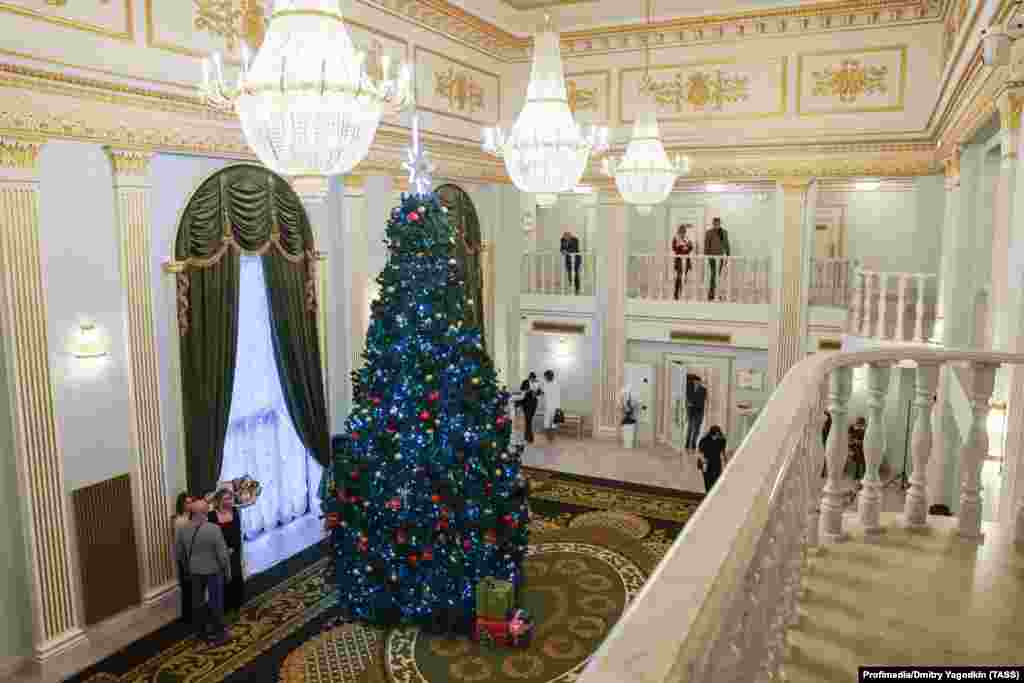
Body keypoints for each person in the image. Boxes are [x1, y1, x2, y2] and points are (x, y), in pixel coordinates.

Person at [176, 495, 231, 644]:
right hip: (213, 571)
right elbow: (223, 556)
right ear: (201, 513)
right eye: (206, 512)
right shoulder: (213, 529)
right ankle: (219, 632)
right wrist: (227, 572)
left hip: (194, 571)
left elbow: (180, 554)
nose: (208, 513)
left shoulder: (183, 530)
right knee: (216, 602)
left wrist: (188, 569)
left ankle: (200, 632)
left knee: (197, 603)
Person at [209, 486, 244, 614]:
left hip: (234, 550)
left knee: (235, 576)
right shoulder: (212, 515)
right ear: (219, 500)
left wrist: (233, 549)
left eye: (230, 498)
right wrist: (222, 550)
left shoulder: (235, 511)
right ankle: (225, 606)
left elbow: (237, 532)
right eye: (226, 498)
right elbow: (212, 536)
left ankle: (237, 604)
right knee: (223, 579)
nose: (229, 501)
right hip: (219, 553)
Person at [173, 492, 195, 624]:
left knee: (194, 589)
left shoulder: (193, 518)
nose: (189, 504)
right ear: (181, 505)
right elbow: (178, 544)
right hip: (185, 559)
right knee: (187, 590)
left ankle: (194, 613)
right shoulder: (180, 521)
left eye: (191, 502)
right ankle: (187, 617)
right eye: (187, 502)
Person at [704, 217, 731, 301]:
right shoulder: (709, 233)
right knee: (714, 275)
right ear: (713, 224)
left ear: (720, 223)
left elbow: (727, 245)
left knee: (717, 275)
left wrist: (728, 256)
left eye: (718, 223)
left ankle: (715, 293)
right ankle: (712, 294)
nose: (716, 225)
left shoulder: (724, 232)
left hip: (721, 257)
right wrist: (707, 257)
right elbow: (706, 246)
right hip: (712, 257)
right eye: (715, 223)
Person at [698, 425, 727, 492]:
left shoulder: (722, 440)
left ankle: (712, 493)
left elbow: (723, 451)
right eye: (715, 434)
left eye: (718, 434)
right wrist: (702, 462)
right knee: (707, 479)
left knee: (716, 479)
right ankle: (708, 493)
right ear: (711, 433)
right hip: (706, 462)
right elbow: (700, 452)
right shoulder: (704, 440)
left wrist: (726, 461)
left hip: (716, 461)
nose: (716, 436)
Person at [671, 224, 694, 300]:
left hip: (686, 260)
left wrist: (686, 248)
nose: (683, 232)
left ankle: (684, 294)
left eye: (684, 231)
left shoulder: (687, 238)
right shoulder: (675, 238)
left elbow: (691, 247)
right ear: (679, 231)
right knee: (679, 277)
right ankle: (676, 294)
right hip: (679, 260)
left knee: (686, 277)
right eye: (681, 231)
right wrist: (682, 248)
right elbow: (674, 248)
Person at [685, 376, 707, 452]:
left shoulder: (703, 390)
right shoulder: (689, 389)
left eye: (698, 382)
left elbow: (701, 401)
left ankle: (693, 446)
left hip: (699, 412)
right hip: (691, 412)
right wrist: (689, 403)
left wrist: (692, 403)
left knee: (697, 430)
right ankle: (687, 445)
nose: (696, 383)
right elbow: (688, 398)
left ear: (700, 382)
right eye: (695, 382)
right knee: (690, 429)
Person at [518, 372, 540, 443]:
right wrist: (529, 391)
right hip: (526, 403)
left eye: (534, 378)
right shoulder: (525, 382)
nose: (533, 379)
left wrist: (536, 393)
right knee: (528, 419)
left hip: (534, 403)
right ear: (529, 377)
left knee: (529, 420)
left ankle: (527, 436)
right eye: (532, 378)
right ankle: (529, 437)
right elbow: (522, 391)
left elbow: (539, 392)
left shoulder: (537, 382)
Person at [541, 369, 561, 442]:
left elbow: (558, 396)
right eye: (545, 377)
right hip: (547, 407)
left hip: (555, 407)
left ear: (550, 376)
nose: (545, 378)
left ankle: (552, 439)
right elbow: (542, 392)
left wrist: (558, 408)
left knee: (554, 424)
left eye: (546, 376)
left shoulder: (556, 384)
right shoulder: (545, 384)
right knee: (546, 424)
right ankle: (549, 438)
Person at [848, 416, 867, 485]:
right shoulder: (852, 428)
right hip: (853, 446)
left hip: (861, 447)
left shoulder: (864, 430)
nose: (859, 424)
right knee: (858, 453)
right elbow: (850, 439)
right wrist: (854, 441)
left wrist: (860, 442)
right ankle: (857, 474)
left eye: (860, 423)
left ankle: (859, 474)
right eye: (858, 423)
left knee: (861, 454)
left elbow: (865, 440)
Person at [821, 411, 832, 478]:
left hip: (826, 442)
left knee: (825, 456)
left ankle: (823, 471)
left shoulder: (829, 425)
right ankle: (822, 471)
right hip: (823, 441)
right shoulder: (824, 425)